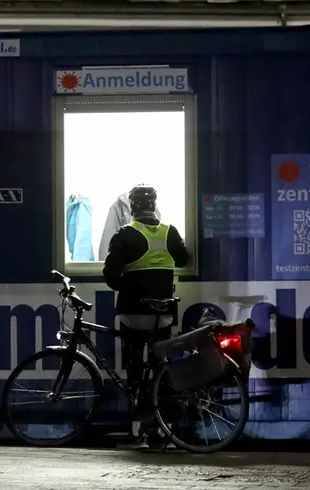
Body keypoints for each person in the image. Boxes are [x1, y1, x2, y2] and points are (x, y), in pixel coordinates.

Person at [102, 185, 190, 450]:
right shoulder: (169, 231)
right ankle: (159, 429)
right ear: (154, 205)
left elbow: (111, 277)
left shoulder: (125, 234)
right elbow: (184, 260)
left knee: (135, 371)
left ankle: (136, 428)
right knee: (159, 371)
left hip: (133, 315)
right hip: (162, 316)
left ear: (132, 207)